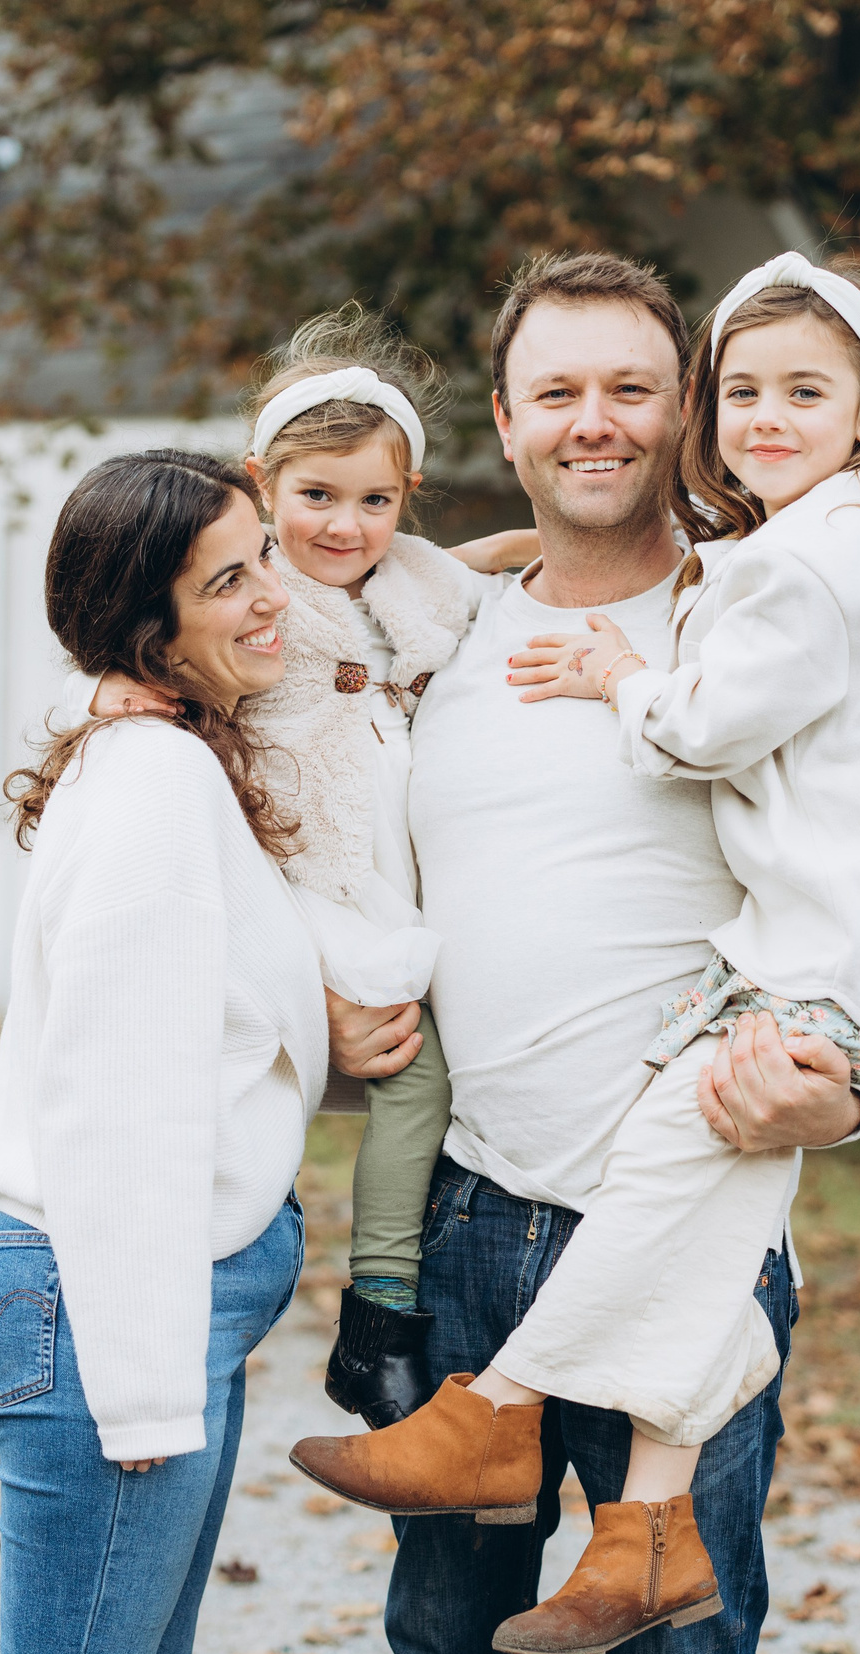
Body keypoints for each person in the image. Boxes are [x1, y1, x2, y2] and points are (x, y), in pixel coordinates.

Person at [290, 253, 860, 1654]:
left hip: (684, 1222)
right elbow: (306, 815)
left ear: (686, 413)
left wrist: (852, 1097)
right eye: (557, 391)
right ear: (503, 421)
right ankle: (485, 1419)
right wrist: (316, 1006)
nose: (593, 420)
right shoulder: (445, 631)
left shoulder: (763, 614)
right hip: (470, 1217)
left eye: (632, 387)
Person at [70, 307, 540, 1431]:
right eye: (316, 496)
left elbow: (471, 572)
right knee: (404, 1074)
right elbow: (153, 647)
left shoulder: (416, 581)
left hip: (391, 874)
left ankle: (367, 1287)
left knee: (432, 1066)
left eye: (375, 500)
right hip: (298, 871)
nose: (344, 524)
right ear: (261, 482)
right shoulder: (249, 588)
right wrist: (104, 689)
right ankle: (377, 1310)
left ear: (407, 496)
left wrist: (560, 547)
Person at [0, 449, 327, 1654]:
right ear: (147, 626)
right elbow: (116, 1108)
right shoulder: (156, 784)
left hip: (132, 1297)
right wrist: (147, 1398)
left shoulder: (157, 753)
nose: (274, 592)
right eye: (229, 579)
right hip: (114, 1302)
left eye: (264, 552)